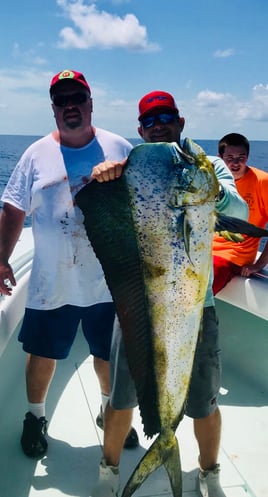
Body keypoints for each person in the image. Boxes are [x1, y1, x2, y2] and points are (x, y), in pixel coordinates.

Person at [89, 91, 248, 497]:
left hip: (198, 309)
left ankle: (209, 472)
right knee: (121, 397)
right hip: (138, 307)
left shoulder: (207, 166)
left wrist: (206, 188)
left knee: (204, 402)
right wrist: (105, 175)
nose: (159, 123)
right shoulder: (129, 172)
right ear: (141, 129)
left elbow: (241, 213)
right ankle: (109, 470)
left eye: (167, 115)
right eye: (150, 119)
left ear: (180, 120)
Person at [0, 69, 138, 458]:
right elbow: (13, 208)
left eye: (77, 98)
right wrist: (0, 259)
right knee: (42, 354)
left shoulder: (120, 147)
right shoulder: (35, 153)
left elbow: (145, 209)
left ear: (90, 103)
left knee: (107, 355)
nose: (70, 106)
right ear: (54, 108)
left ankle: (111, 413)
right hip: (52, 280)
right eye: (62, 100)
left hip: (109, 282)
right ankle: (35, 417)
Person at [213, 132, 268, 294]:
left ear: (248, 156)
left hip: (233, 256)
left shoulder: (262, 181)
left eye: (241, 157)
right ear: (220, 158)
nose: (235, 163)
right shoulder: (213, 180)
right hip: (203, 251)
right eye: (229, 158)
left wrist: (259, 264)